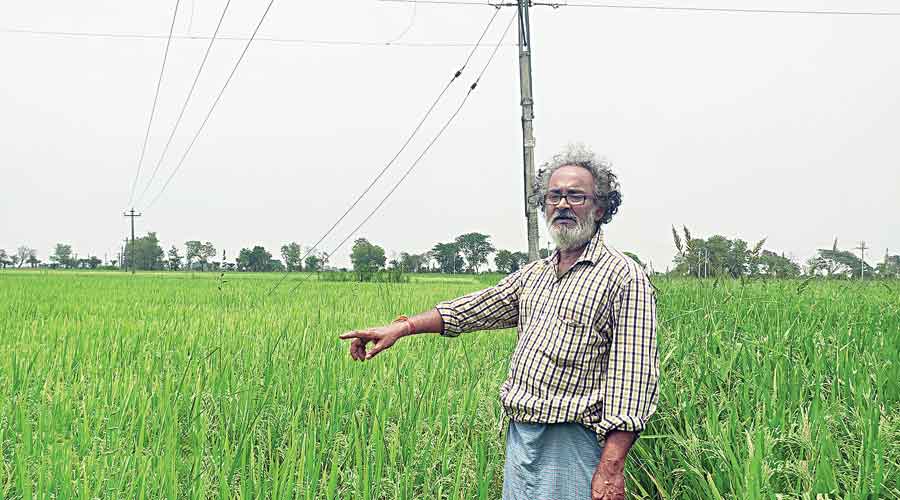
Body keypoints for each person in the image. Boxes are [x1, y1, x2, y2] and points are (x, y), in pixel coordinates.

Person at [339, 144, 659, 500]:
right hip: (522, 438)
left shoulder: (624, 277)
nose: (563, 205)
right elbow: (474, 308)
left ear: (600, 207)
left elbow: (634, 380)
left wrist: (611, 468)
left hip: (572, 442)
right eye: (554, 196)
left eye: (576, 196)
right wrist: (402, 327)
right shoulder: (536, 275)